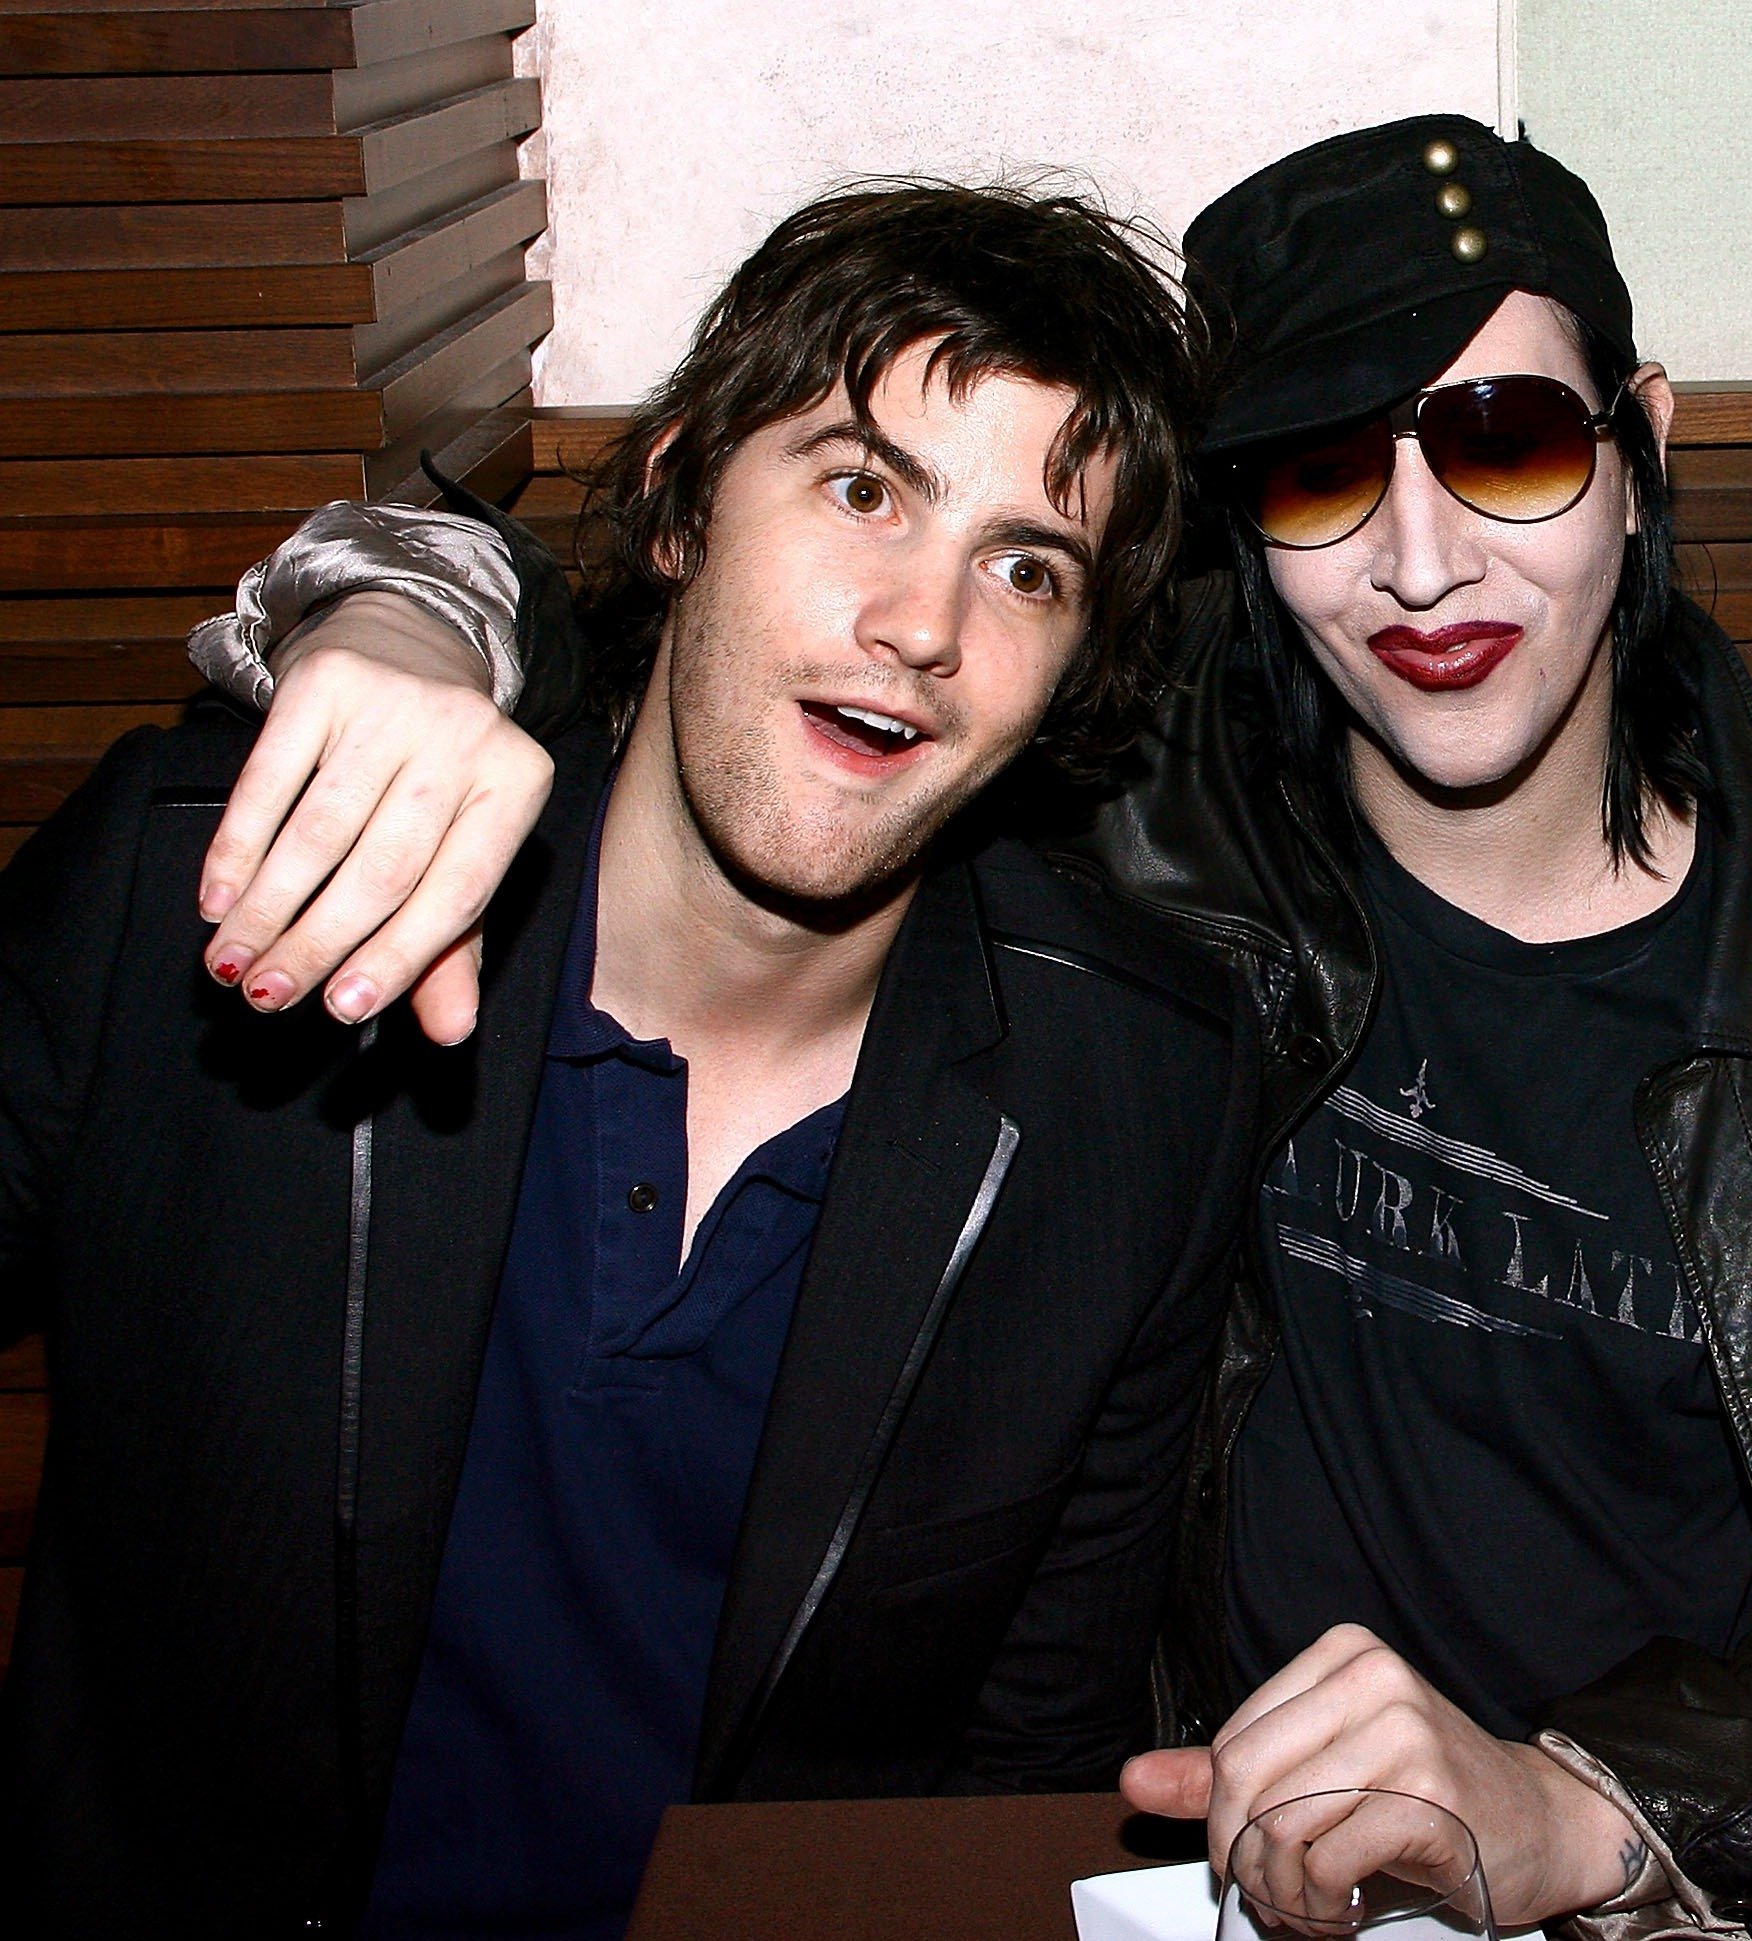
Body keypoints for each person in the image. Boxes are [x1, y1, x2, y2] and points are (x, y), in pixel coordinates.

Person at [156, 118, 1752, 1937]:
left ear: (1641, 442)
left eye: (1506, 438)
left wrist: (1581, 1794)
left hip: (1636, 1881)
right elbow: (752, 640)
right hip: (1203, 1870)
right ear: (1246, 531)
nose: (1420, 558)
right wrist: (410, 603)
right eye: (1328, 466)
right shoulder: (1148, 835)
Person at [0, 183, 1263, 1936]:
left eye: (1024, 566)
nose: (922, 621)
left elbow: (1027, 1782)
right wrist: (384, 598)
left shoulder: (1133, 1107)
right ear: (678, 501)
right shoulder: (210, 886)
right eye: (859, 488)